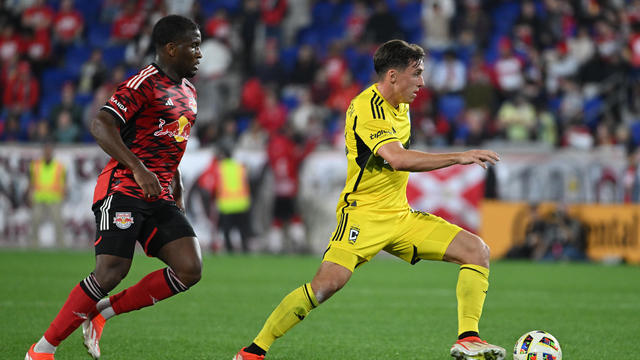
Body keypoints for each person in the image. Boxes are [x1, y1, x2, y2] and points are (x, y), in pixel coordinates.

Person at [233, 39, 506, 360]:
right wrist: (459, 156)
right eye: (416, 74)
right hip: (362, 216)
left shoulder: (402, 107)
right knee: (326, 285)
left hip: (400, 217)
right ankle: (253, 351)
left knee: (476, 251)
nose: (422, 82)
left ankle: (468, 338)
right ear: (392, 76)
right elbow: (398, 159)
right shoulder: (367, 108)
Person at [25, 15, 203, 360]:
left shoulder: (190, 93)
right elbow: (101, 124)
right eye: (193, 45)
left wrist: (175, 185)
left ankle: (102, 313)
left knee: (190, 269)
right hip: (122, 187)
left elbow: (170, 144)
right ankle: (42, 350)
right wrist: (138, 169)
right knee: (111, 270)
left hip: (160, 194)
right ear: (171, 48)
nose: (199, 53)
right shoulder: (143, 84)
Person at [29, 141, 67, 247]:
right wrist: (30, 195)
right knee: (35, 221)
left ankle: (61, 244)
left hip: (55, 197)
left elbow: (64, 182)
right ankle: (33, 243)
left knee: (58, 222)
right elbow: (32, 182)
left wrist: (64, 193)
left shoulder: (59, 166)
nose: (47, 152)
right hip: (39, 197)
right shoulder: (36, 165)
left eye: (49, 150)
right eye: (46, 150)